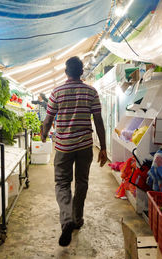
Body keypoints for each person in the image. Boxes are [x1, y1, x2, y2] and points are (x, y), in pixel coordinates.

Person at [41, 56, 107, 247]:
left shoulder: (56, 92)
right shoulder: (91, 91)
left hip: (63, 146)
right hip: (85, 146)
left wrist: (44, 135)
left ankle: (67, 219)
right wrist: (103, 147)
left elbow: (48, 119)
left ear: (66, 72)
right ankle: (77, 219)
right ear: (82, 72)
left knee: (62, 183)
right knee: (82, 182)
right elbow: (99, 120)